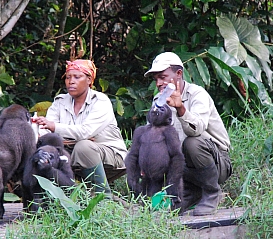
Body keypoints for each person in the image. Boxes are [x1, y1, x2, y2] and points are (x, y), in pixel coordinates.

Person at [145, 52, 232, 216]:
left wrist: (180, 108)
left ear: (178, 74)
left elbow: (197, 129)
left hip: (216, 163)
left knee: (192, 143)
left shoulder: (197, 94)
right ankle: (191, 192)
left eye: (163, 77)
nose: (159, 83)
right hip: (184, 167)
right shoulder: (159, 100)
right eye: (156, 79)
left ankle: (212, 192)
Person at [32, 59, 127, 197]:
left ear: (89, 80)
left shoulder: (101, 101)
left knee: (84, 147)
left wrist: (54, 128)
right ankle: (56, 200)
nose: (71, 81)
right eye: (68, 77)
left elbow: (84, 132)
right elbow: (45, 133)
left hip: (111, 157)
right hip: (74, 154)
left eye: (77, 77)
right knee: (43, 149)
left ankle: (104, 197)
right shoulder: (60, 102)